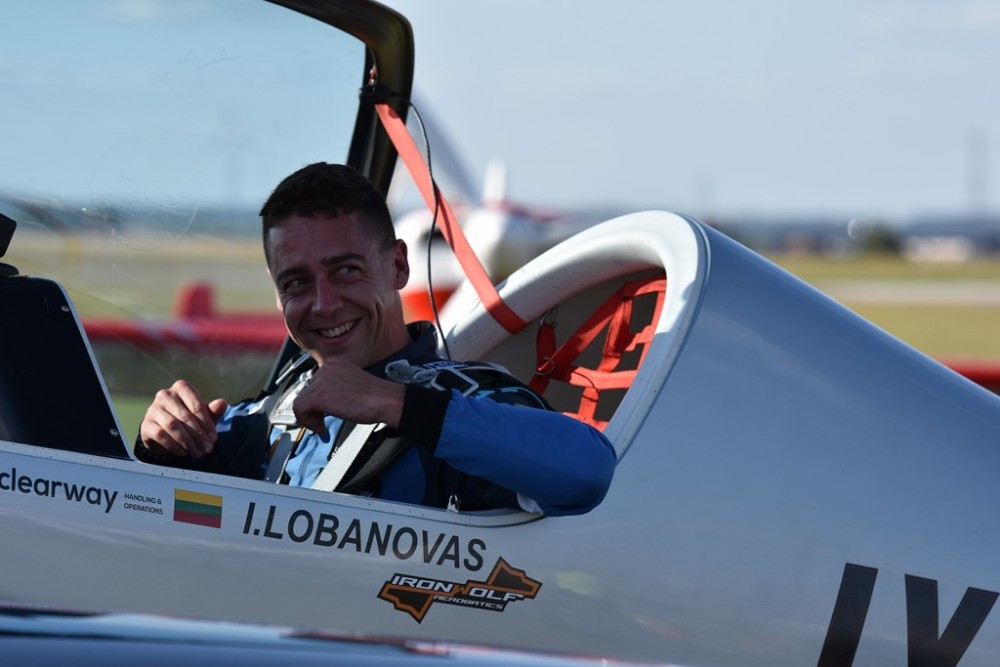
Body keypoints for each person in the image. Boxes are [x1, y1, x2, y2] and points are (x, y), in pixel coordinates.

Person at [135, 162, 615, 515]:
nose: (324, 304)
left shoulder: (466, 399)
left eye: (346, 271)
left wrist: (395, 403)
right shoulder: (271, 416)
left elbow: (588, 471)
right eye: (296, 282)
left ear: (398, 265)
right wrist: (161, 441)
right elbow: (159, 512)